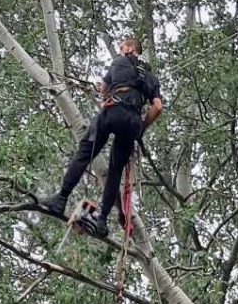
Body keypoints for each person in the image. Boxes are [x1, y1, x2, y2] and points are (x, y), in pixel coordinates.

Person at [39, 31, 163, 237]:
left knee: (85, 153)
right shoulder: (150, 76)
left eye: (123, 47)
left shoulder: (119, 62)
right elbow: (157, 107)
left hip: (113, 111)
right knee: (115, 172)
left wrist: (104, 90)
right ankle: (102, 221)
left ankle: (60, 199)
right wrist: (141, 128)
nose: (121, 50)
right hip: (132, 123)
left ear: (130, 49)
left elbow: (105, 90)